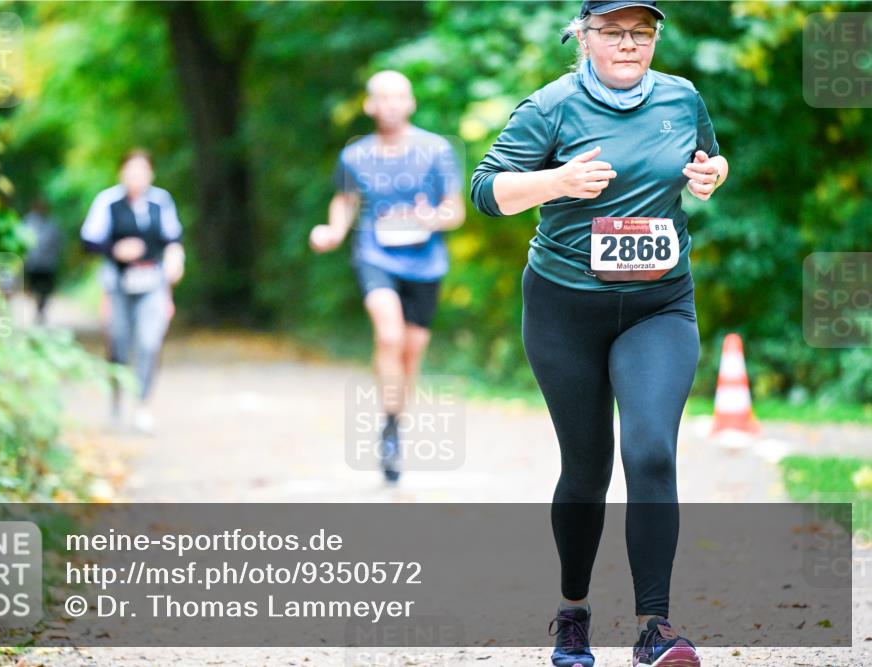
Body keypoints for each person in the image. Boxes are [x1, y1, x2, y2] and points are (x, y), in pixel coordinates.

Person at [471, 2, 728, 666]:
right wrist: (557, 181)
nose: (628, 44)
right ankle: (574, 612)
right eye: (613, 32)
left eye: (641, 34)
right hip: (566, 310)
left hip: (658, 307)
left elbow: (709, 160)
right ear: (583, 38)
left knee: (649, 452)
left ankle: (655, 628)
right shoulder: (551, 107)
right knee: (586, 468)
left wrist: (710, 175)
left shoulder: (681, 98)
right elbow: (485, 188)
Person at [309, 70, 465, 484]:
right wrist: (332, 232)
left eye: (400, 97)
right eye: (384, 97)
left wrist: (430, 217)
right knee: (389, 337)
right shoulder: (355, 154)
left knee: (411, 353)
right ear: (370, 105)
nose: (392, 104)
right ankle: (391, 431)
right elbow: (343, 203)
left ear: (411, 103)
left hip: (425, 262)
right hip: (374, 254)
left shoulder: (436, 150)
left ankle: (392, 422)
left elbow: (455, 210)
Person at [81, 149, 185, 434]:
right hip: (117, 285)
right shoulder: (108, 201)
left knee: (150, 343)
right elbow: (88, 241)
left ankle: (143, 405)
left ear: (150, 173)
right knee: (118, 344)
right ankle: (116, 397)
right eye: (131, 170)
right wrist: (115, 250)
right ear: (122, 173)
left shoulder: (161, 202)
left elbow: (173, 238)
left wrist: (175, 261)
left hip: (152, 283)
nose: (136, 177)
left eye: (142, 171)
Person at [22, 198, 63, 325]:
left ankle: (40, 310)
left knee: (45, 290)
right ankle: (38, 308)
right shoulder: (28, 222)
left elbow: (58, 242)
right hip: (34, 263)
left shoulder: (51, 223)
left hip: (47, 264)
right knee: (36, 289)